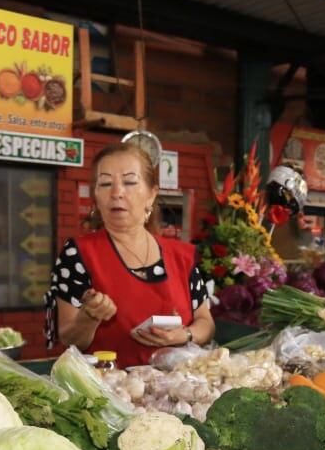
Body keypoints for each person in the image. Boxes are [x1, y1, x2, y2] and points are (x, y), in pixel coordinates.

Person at [44, 142, 215, 367]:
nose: (117, 193)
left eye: (130, 182)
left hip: (175, 388)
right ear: (95, 196)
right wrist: (90, 317)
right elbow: (68, 336)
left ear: (151, 195)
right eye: (105, 183)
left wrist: (185, 335)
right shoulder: (77, 254)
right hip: (109, 391)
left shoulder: (182, 256)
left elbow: (206, 323)